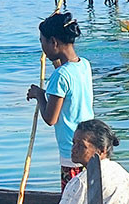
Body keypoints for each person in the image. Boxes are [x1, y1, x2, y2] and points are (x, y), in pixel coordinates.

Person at [27, 12, 93, 168]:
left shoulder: (60, 76)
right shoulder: (84, 64)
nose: (42, 48)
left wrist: (39, 95)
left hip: (72, 150)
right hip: (90, 143)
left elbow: (50, 118)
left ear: (54, 42)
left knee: (71, 191)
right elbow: (66, 79)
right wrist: (56, 63)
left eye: (42, 42)